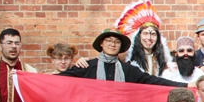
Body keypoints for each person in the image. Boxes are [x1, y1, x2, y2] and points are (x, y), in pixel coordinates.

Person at [59, 28, 188, 87]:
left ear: (121, 46)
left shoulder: (129, 70)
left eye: (117, 42)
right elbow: (59, 81)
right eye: (109, 40)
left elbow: (153, 81)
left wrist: (186, 85)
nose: (112, 44)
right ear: (101, 43)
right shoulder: (87, 66)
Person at [117, 0, 169, 76]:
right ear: (139, 36)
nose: (149, 38)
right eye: (145, 33)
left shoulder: (163, 59)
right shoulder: (126, 58)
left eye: (153, 34)